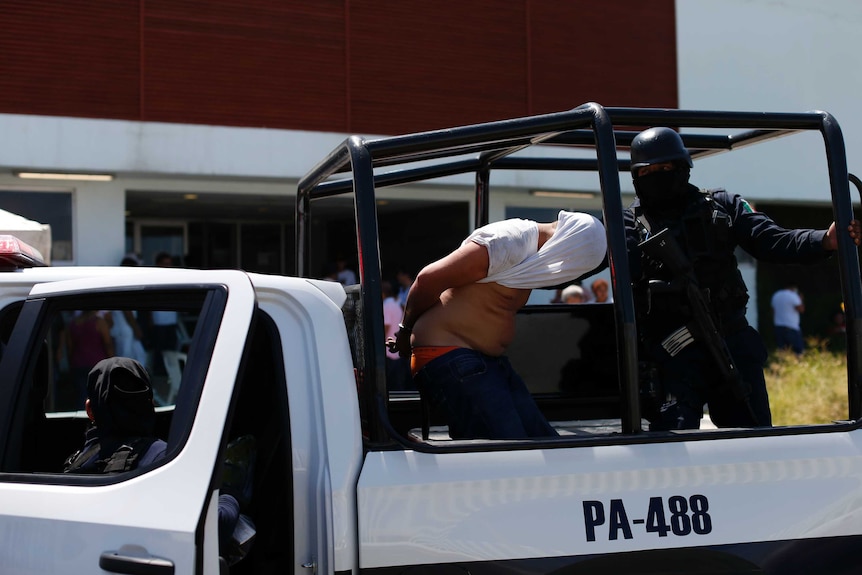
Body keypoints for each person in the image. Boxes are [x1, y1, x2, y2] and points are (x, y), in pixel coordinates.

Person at [624, 126, 862, 431]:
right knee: (672, 444)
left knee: (753, 436)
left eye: (666, 168)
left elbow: (773, 240)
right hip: (672, 357)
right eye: (649, 171)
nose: (658, 175)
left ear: (682, 168)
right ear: (636, 177)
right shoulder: (628, 224)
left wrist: (825, 240)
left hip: (730, 342)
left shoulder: (721, 206)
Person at [390, 210, 606, 439]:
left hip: (482, 361)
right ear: (570, 246)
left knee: (544, 442)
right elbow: (428, 280)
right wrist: (405, 333)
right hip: (449, 354)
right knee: (508, 451)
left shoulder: (533, 257)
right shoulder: (507, 241)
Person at [63, 356, 253, 561]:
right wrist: (228, 495)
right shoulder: (163, 459)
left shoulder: (75, 464)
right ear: (151, 405)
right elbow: (214, 526)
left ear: (90, 410)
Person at [382, 280, 411, 390]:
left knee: (392, 385)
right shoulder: (396, 304)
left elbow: (386, 326)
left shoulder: (386, 305)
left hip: (388, 351)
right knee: (400, 385)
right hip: (398, 349)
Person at [771, 285, 805, 354]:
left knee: (782, 352)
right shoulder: (793, 295)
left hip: (778, 327)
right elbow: (801, 309)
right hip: (791, 327)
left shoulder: (776, 295)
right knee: (798, 352)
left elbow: (773, 311)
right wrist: (801, 299)